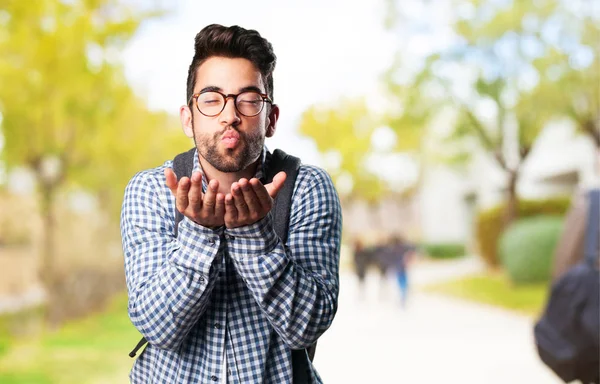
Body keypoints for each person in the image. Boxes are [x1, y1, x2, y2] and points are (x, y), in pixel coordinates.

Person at [120, 24, 342, 383]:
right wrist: (199, 235)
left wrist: (256, 236)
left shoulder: (306, 187)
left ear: (270, 118)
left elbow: (307, 328)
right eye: (211, 98)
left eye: (249, 99)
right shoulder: (151, 190)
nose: (229, 115)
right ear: (188, 119)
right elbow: (158, 328)